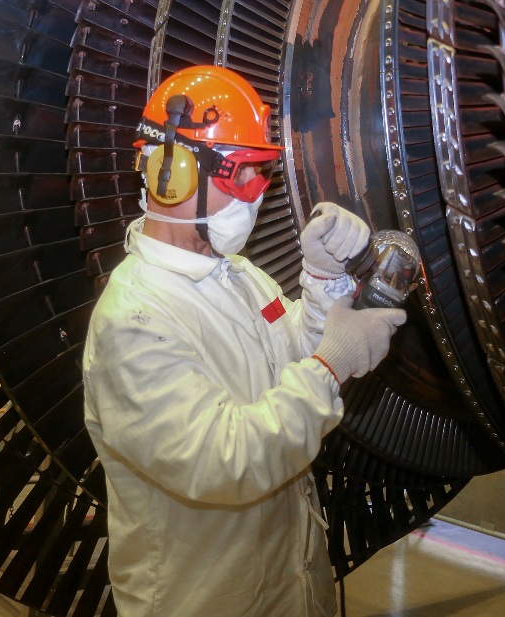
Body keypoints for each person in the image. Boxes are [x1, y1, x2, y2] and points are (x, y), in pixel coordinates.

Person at [82, 65, 407, 617]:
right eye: (243, 174)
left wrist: (324, 279)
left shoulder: (237, 274)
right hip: (205, 601)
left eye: (262, 173)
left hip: (290, 587)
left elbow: (292, 355)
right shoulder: (133, 319)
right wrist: (331, 367)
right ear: (171, 172)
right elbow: (225, 461)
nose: (258, 195)